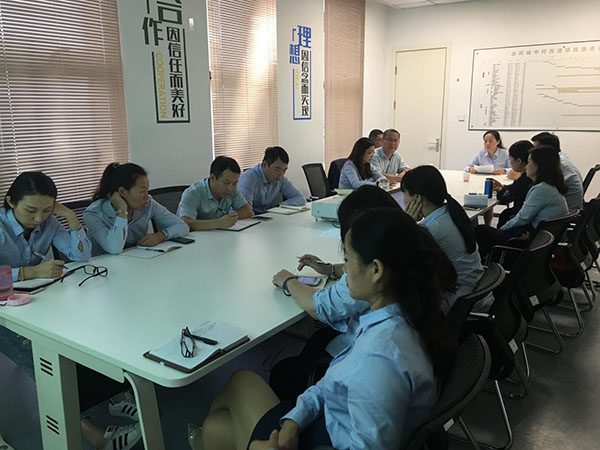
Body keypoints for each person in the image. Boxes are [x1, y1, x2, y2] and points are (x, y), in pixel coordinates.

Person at [189, 208, 456, 450]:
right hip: (335, 423)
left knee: (239, 384)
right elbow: (338, 379)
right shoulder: (402, 316)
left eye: (348, 260)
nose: (344, 270)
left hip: (332, 438)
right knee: (215, 429)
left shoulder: (380, 358)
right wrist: (295, 419)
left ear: (376, 270)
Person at [0, 172, 141, 450]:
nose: (38, 218)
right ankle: (96, 435)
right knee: (41, 359)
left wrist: (71, 218)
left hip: (36, 305)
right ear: (10, 201)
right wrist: (28, 272)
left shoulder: (49, 223)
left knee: (87, 334)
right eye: (30, 210)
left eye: (47, 210)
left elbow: (80, 256)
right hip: (5, 314)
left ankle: (114, 397)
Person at [270, 186, 452, 401]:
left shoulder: (381, 346)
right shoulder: (410, 250)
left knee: (283, 373)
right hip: (392, 361)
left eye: (348, 259)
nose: (346, 270)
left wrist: (288, 281)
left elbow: (321, 307)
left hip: (350, 379)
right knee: (319, 338)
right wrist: (329, 269)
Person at [401, 165, 492, 313]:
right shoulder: (450, 212)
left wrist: (407, 223)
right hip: (477, 293)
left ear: (417, 198)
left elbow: (400, 261)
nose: (403, 200)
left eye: (404, 193)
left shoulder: (432, 228)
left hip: (462, 305)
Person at [475, 145, 569, 255]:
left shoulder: (541, 189)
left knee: (480, 230)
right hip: (542, 239)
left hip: (534, 241)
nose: (526, 167)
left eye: (529, 163)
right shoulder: (551, 186)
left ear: (538, 166)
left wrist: (501, 231)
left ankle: (487, 260)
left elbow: (522, 218)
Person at [84, 162, 189, 256]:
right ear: (122, 191)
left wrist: (161, 236)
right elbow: (114, 248)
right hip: (103, 267)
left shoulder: (148, 203)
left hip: (137, 260)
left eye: (147, 190)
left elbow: (182, 226)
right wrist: (122, 211)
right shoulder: (93, 214)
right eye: (142, 191)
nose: (147, 196)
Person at [177, 156, 253, 230]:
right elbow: (185, 222)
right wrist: (219, 223)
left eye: (235, 183)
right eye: (226, 183)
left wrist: (229, 219)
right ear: (212, 178)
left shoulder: (232, 189)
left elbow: (247, 211)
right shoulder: (193, 193)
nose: (230, 188)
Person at [237, 146, 306, 214]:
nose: (280, 174)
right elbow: (245, 212)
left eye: (284, 170)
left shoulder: (281, 179)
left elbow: (300, 198)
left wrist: (279, 206)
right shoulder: (249, 178)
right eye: (277, 170)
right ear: (265, 165)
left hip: (267, 217)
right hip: (250, 219)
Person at [531, 132, 583, 211]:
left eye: (536, 149)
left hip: (568, 211)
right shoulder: (562, 159)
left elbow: (542, 188)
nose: (533, 153)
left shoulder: (557, 163)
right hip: (571, 207)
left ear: (546, 150)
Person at [492, 140, 534, 228]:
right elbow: (514, 189)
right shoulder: (533, 176)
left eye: (510, 158)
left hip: (521, 221)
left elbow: (505, 197)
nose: (510, 161)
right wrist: (503, 187)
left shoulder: (526, 178)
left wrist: (501, 190)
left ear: (518, 161)